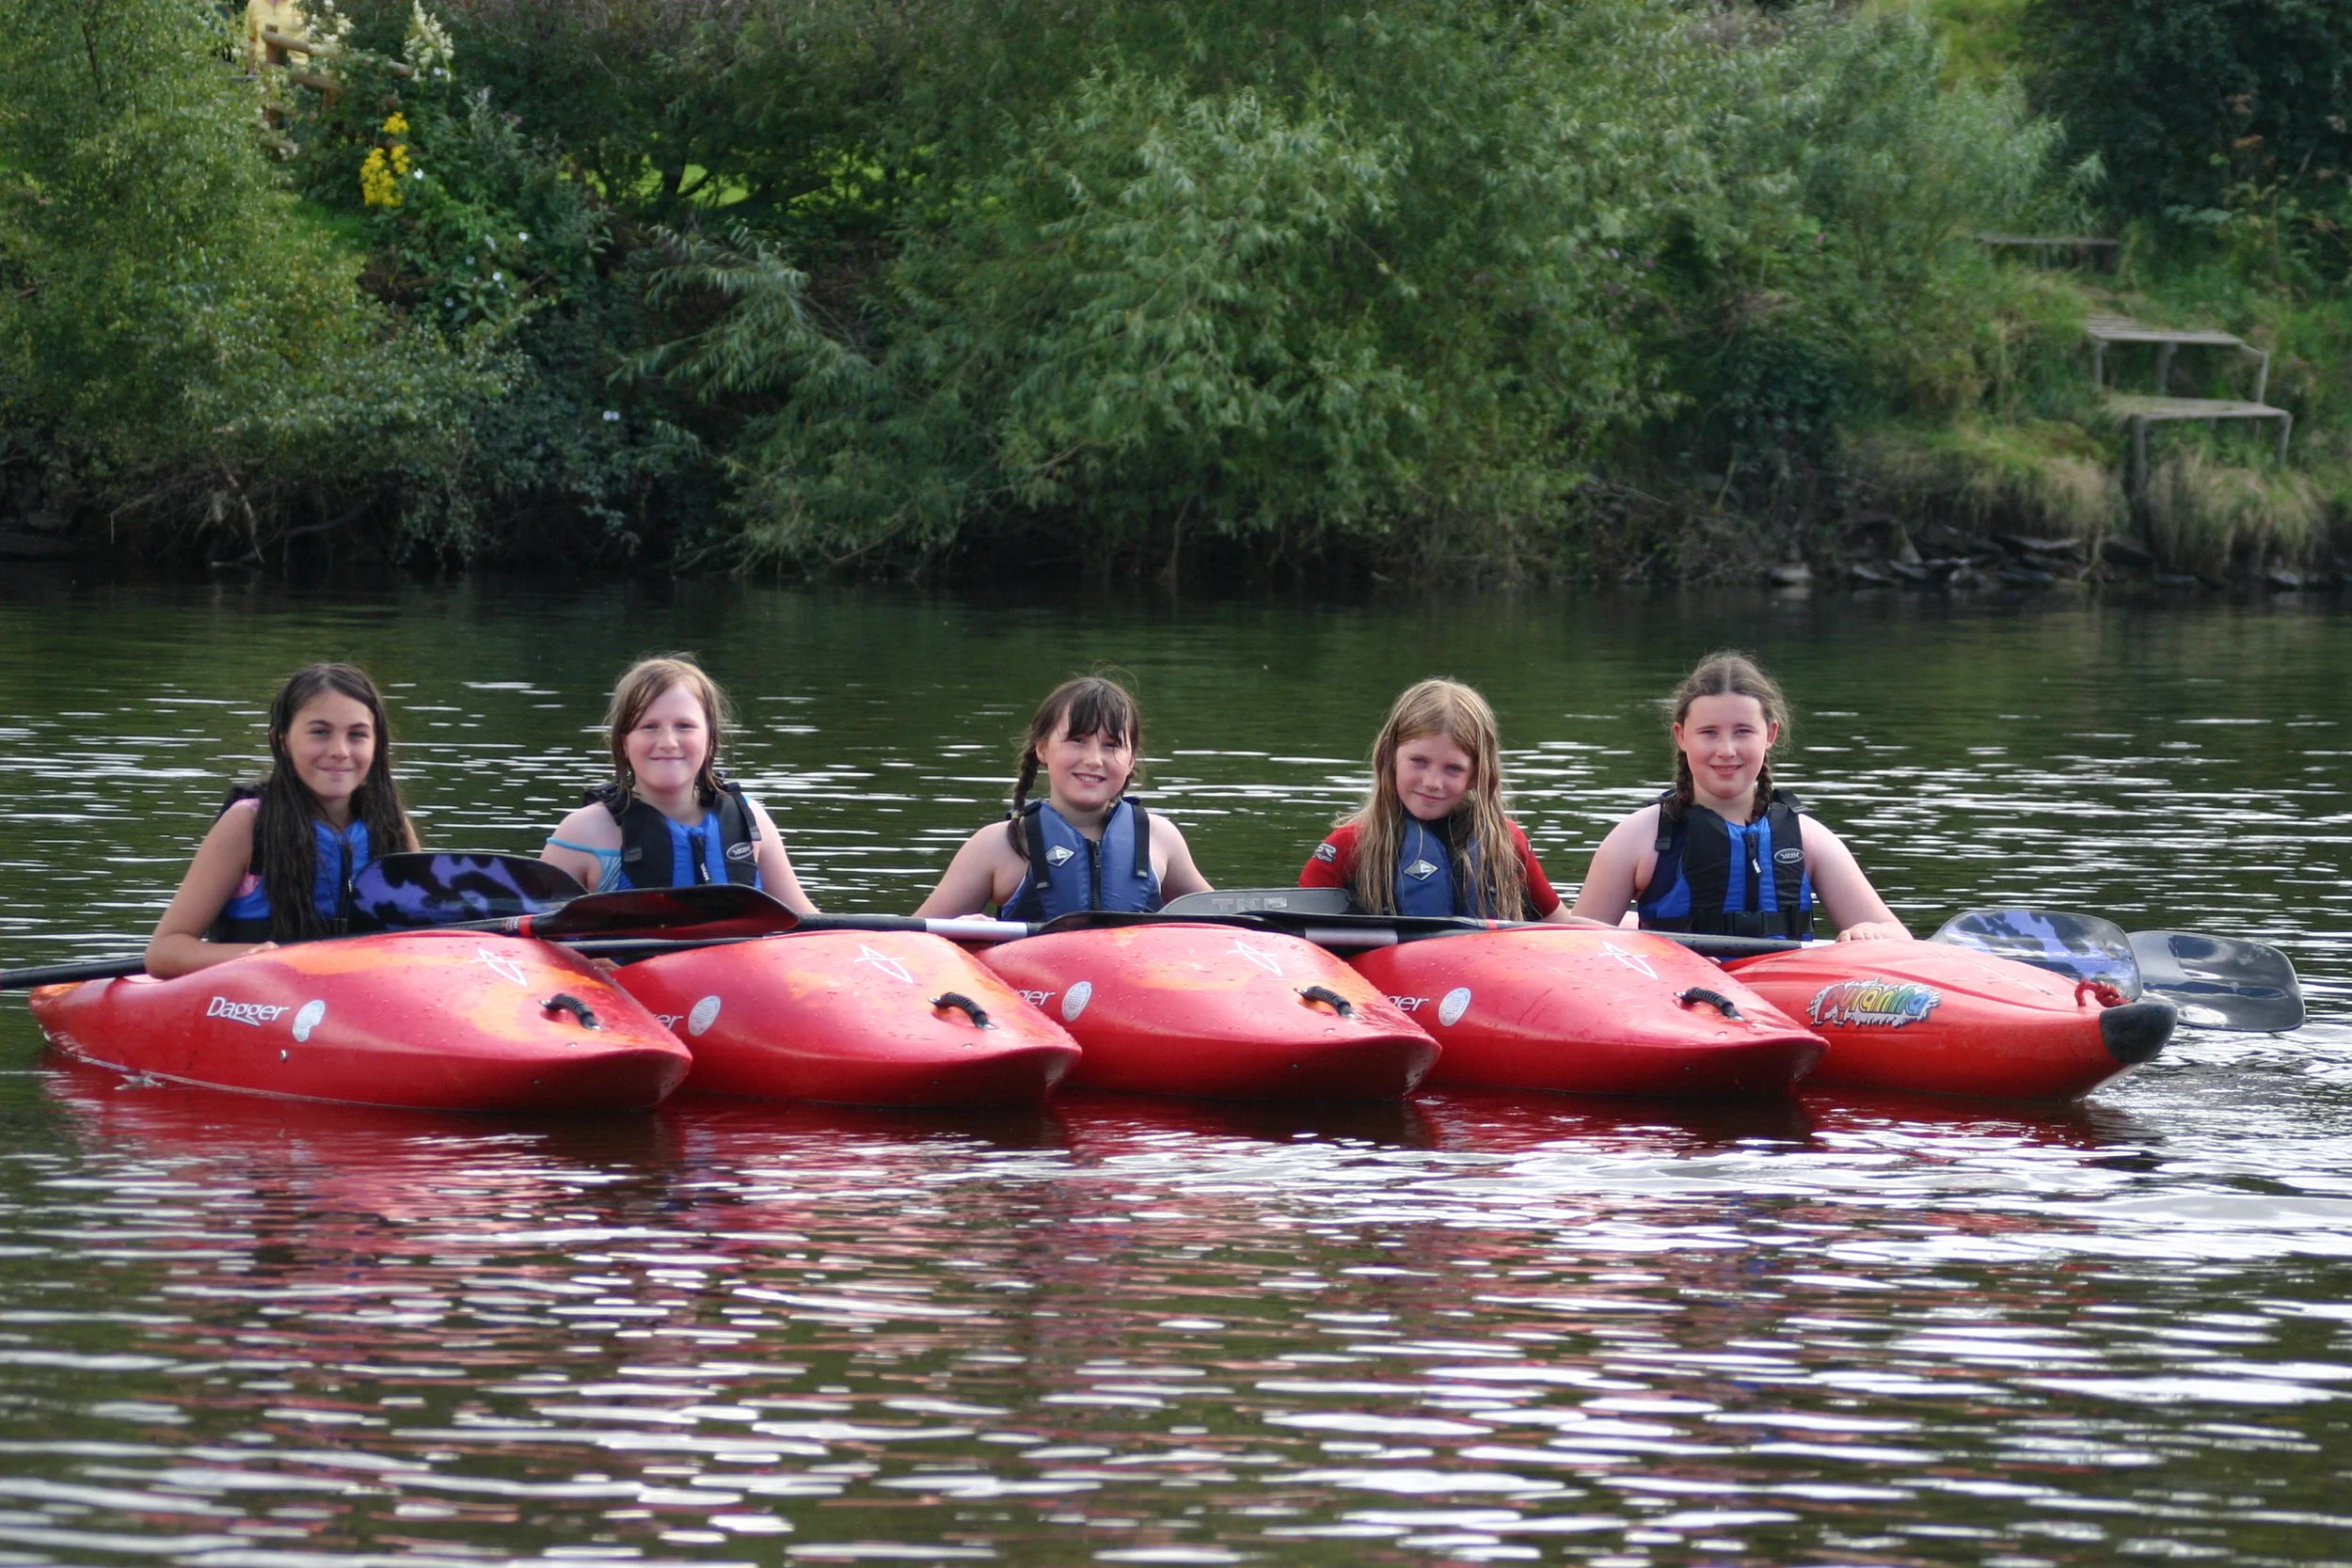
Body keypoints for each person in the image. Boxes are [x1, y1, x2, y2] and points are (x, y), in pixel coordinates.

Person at [1570, 651, 1908, 942]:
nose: (1726, 750)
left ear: (1770, 734)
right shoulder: (1637, 837)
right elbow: (1571, 948)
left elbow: (1896, 935)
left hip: (1781, 1000)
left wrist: (1868, 933)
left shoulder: (1807, 838)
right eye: (1709, 733)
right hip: (1675, 999)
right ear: (1682, 736)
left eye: (1743, 732)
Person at [146, 663, 421, 978]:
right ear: (283, 740)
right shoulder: (247, 823)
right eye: (320, 732)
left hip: (363, 994)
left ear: (377, 745)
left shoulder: (392, 825)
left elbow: (428, 933)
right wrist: (249, 955)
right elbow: (164, 952)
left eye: (357, 735)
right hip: (256, 999)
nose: (340, 751)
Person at [915, 674, 1211, 920]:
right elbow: (909, 941)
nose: (1094, 759)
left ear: (1131, 760)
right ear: (1042, 748)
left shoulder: (1160, 838)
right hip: (1029, 988)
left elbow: (1224, 927)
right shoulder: (997, 844)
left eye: (1111, 745)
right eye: (1077, 740)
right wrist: (961, 932)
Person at [541, 656, 817, 911]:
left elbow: (809, 925)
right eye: (649, 726)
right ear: (625, 742)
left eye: (685, 726)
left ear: (710, 741)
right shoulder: (583, 832)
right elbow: (525, 939)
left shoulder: (751, 821)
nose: (668, 743)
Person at [1299, 677, 1578, 923]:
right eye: (1419, 761)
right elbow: (1294, 940)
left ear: (1476, 774)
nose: (1432, 783)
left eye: (1453, 768)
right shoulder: (1348, 845)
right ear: (1390, 757)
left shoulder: (1507, 844)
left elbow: (1561, 925)